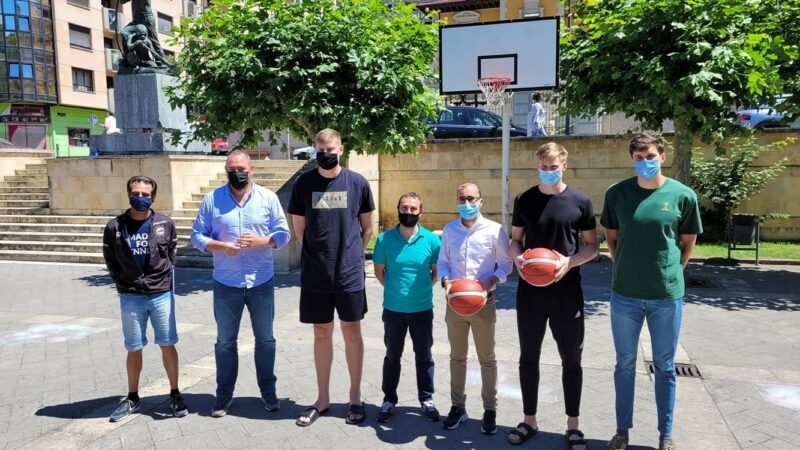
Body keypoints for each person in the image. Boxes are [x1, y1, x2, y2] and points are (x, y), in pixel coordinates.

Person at [601, 132, 702, 450]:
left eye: (650, 156)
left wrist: (670, 272)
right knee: (625, 365)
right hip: (625, 295)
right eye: (638, 158)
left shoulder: (683, 195)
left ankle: (666, 434)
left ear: (663, 156)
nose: (645, 162)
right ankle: (622, 431)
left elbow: (686, 244)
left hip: (666, 296)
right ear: (632, 160)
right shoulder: (617, 194)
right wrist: (627, 269)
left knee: (665, 367)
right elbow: (612, 239)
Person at [507, 143, 599, 448]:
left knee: (571, 359)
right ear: (537, 167)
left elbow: (592, 246)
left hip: (567, 293)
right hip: (530, 292)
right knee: (528, 357)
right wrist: (518, 259)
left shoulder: (580, 201)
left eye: (553, 166)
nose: (548, 171)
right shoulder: (524, 199)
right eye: (543, 167)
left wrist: (568, 262)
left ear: (564, 166)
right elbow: (515, 241)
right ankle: (529, 420)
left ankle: (573, 426)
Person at [190, 150, 291, 418]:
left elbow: (283, 234)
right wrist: (220, 246)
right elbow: (196, 236)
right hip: (226, 283)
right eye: (232, 169)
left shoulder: (268, 198)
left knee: (265, 340)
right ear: (226, 171)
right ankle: (223, 396)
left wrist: (263, 241)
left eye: (241, 168)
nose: (237, 173)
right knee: (225, 342)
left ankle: (268, 392)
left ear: (252, 169)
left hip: (261, 281)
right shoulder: (213, 200)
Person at [288, 128, 375, 427]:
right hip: (316, 275)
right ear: (316, 150)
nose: (326, 154)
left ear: (341, 148)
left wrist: (350, 255)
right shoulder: (303, 184)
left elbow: (367, 229)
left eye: (331, 149)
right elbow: (299, 231)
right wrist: (320, 256)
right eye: (321, 150)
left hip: (349, 275)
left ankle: (355, 397)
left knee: (352, 332)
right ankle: (322, 399)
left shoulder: (358, 183)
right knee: (321, 334)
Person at [102, 175, 187, 422]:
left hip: (160, 294)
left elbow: (171, 254)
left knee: (167, 344)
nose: (140, 198)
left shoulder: (165, 223)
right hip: (131, 296)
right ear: (129, 194)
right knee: (134, 347)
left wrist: (159, 279)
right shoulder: (114, 227)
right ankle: (132, 397)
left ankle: (174, 393)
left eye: (145, 194)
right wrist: (122, 283)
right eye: (136, 193)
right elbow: (110, 260)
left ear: (153, 196)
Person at [437, 182, 513, 434]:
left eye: (471, 198)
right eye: (461, 198)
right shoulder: (449, 230)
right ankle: (458, 408)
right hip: (455, 303)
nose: (466, 203)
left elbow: (505, 264)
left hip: (483, 303)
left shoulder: (495, 230)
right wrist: (447, 281)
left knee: (487, 359)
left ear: (481, 201)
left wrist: (491, 281)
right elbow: (444, 263)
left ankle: (489, 410)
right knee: (457, 357)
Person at [373, 192, 441, 424]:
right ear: (398, 209)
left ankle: (427, 399)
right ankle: (389, 400)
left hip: (422, 309)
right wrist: (397, 292)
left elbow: (435, 273)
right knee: (392, 355)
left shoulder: (432, 241)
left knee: (424, 356)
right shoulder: (384, 240)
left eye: (413, 209)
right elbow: (379, 272)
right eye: (404, 208)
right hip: (393, 309)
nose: (408, 212)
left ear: (420, 211)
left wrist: (417, 292)